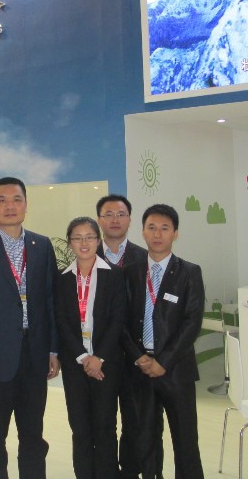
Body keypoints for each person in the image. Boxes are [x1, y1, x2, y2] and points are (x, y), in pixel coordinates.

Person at [0, 176, 59, 479]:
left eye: (16, 199)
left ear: (26, 205)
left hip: (35, 356)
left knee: (33, 437)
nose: (9, 206)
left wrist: (53, 349)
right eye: (1, 200)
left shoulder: (41, 246)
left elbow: (51, 301)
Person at [122, 204, 205, 479]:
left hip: (176, 369)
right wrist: (139, 357)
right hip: (140, 368)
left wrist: (164, 362)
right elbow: (121, 322)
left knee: (185, 440)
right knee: (145, 439)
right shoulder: (130, 272)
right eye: (152, 228)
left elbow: (192, 323)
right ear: (143, 232)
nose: (157, 234)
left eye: (164, 228)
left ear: (175, 233)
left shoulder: (189, 272)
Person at [55, 216, 125, 479]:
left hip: (106, 365)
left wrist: (99, 357)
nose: (83, 243)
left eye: (89, 237)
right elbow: (61, 321)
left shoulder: (115, 275)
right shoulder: (61, 278)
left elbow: (118, 319)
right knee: (80, 428)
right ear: (70, 242)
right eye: (77, 238)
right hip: (76, 365)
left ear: (98, 240)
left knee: (105, 427)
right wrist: (84, 357)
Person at [95, 194, 153, 479]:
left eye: (121, 214)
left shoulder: (145, 258)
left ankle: (131, 472)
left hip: (135, 357)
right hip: (99, 357)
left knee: (135, 422)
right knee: (102, 423)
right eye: (108, 214)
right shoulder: (88, 256)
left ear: (130, 219)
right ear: (99, 220)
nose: (115, 220)